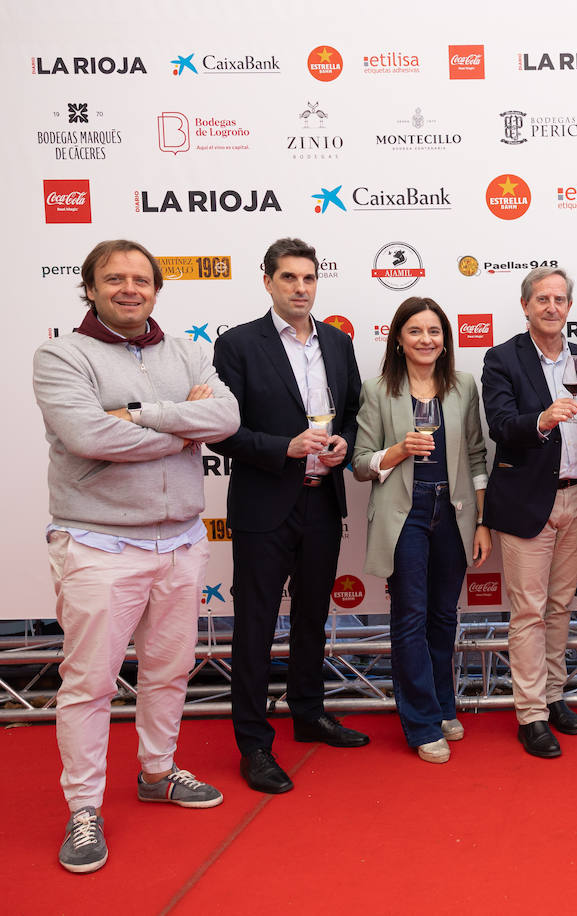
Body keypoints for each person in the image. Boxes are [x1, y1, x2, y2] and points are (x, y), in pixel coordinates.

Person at [34, 240, 239, 873]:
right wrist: (183, 428)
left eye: (141, 279)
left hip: (180, 542)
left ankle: (157, 772)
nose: (129, 289)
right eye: (114, 279)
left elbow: (226, 418)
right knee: (90, 683)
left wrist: (142, 416)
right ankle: (84, 808)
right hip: (99, 544)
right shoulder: (61, 355)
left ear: (155, 288)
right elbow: (88, 434)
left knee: (169, 670)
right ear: (90, 287)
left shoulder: (185, 351)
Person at [210, 238, 368, 795]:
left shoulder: (338, 343)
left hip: (322, 500)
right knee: (255, 624)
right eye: (289, 278)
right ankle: (254, 743)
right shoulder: (237, 344)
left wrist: (344, 443)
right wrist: (285, 447)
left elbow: (352, 413)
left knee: (311, 616)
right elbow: (221, 430)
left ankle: (308, 711)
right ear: (267, 281)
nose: (301, 288)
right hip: (264, 504)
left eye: (309, 278)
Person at [353, 298, 489, 764]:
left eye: (434, 331)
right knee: (410, 618)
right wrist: (397, 451)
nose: (426, 339)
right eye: (415, 331)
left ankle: (443, 705)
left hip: (453, 511)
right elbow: (360, 464)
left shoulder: (463, 385)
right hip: (405, 513)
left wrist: (483, 521)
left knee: (444, 617)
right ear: (398, 338)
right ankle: (422, 723)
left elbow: (477, 456)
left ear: (445, 340)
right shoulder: (377, 390)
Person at [482, 268, 577, 759]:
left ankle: (553, 696)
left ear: (569, 307)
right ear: (525, 306)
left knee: (559, 607)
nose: (552, 307)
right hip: (527, 500)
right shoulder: (502, 358)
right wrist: (541, 419)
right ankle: (530, 714)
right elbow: (499, 425)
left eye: (560, 299)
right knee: (529, 612)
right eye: (542, 300)